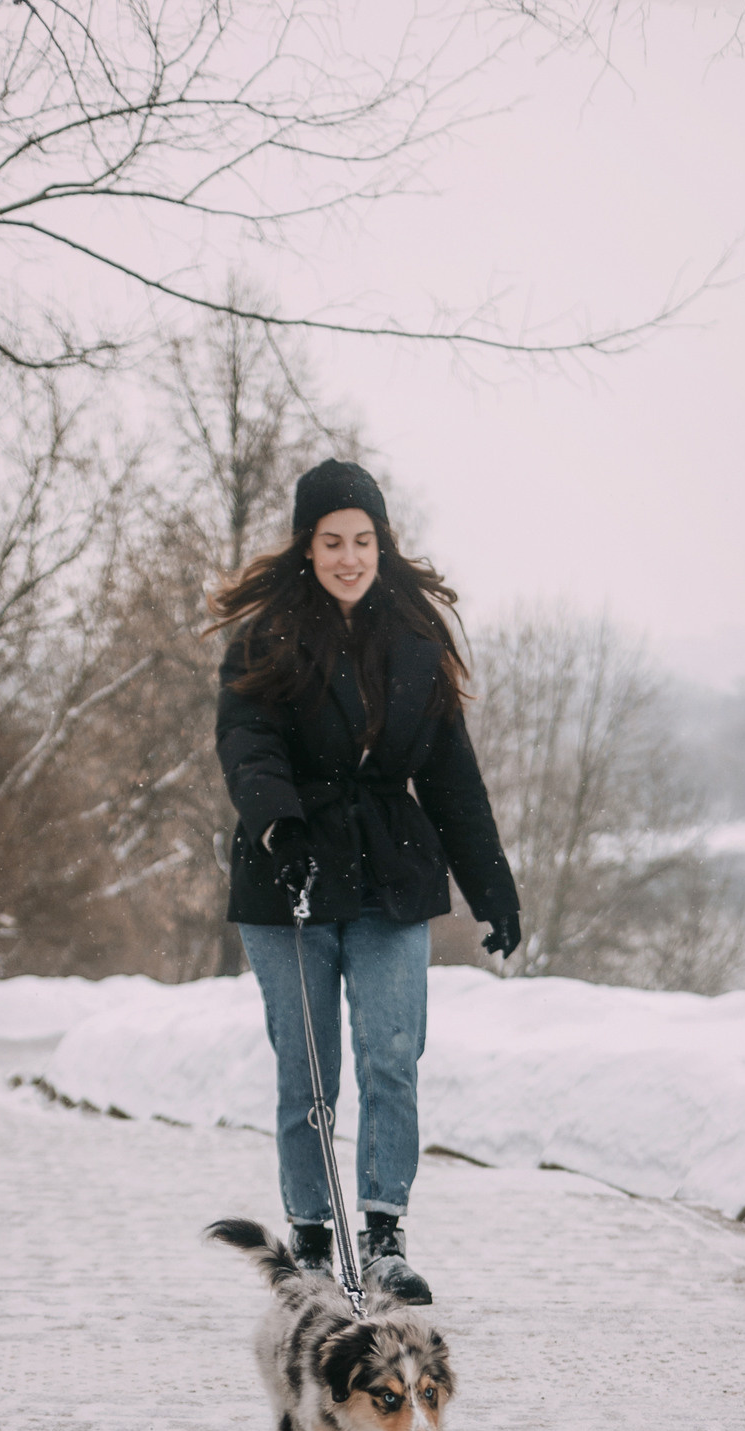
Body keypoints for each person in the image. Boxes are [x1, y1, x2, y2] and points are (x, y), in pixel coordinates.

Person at [212, 459, 520, 1303]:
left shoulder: (417, 642)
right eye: (332, 541)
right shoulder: (266, 639)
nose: (349, 557)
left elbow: (452, 780)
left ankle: (384, 1235)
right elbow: (247, 745)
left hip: (390, 873)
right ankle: (313, 1240)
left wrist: (493, 890)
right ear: (307, 548)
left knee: (392, 1056)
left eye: (362, 540)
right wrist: (280, 825)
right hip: (289, 877)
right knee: (307, 1069)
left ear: (382, 543)